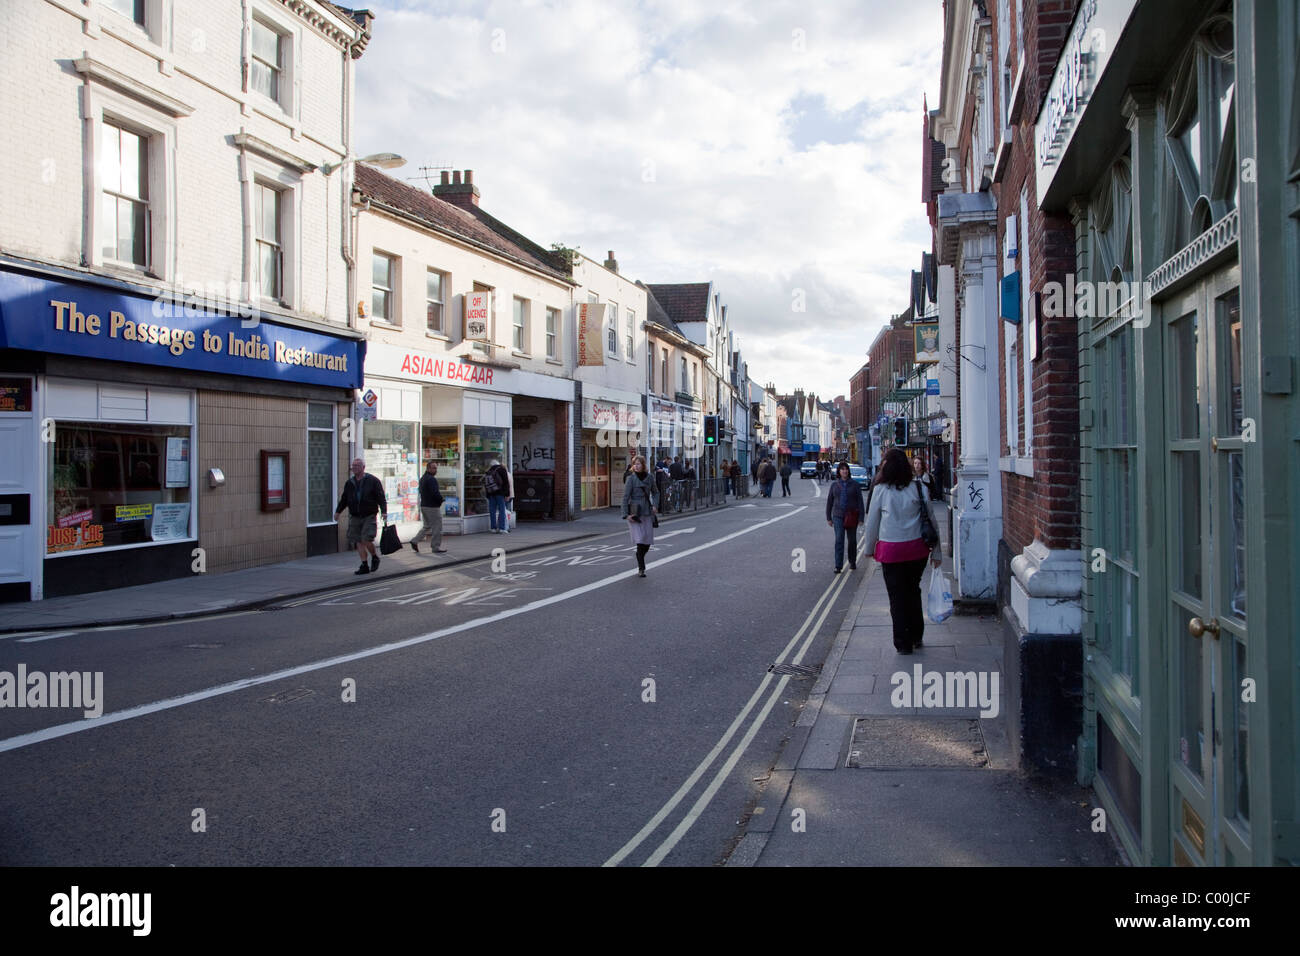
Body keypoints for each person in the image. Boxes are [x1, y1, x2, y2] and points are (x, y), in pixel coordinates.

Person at [862, 448, 943, 655]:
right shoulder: (918, 487)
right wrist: (937, 552)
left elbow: (872, 523)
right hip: (917, 550)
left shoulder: (880, 490)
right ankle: (916, 635)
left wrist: (869, 549)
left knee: (896, 597)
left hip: (891, 551)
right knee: (913, 591)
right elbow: (931, 520)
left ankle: (903, 643)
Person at [335, 458, 388, 575]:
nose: (354, 468)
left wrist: (384, 511)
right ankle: (364, 565)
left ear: (363, 467)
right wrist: (338, 511)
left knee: (366, 539)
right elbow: (344, 499)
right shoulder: (350, 483)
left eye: (357, 466)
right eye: (353, 466)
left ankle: (374, 557)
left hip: (369, 515)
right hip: (355, 516)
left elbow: (380, 497)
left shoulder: (373, 481)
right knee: (358, 540)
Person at [825, 461, 865, 573]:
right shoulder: (834, 485)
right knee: (839, 540)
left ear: (848, 471)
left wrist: (861, 518)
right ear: (839, 471)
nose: (844, 471)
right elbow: (829, 502)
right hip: (838, 516)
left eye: (846, 469)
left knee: (852, 541)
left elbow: (860, 502)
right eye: (842, 469)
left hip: (852, 515)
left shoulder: (855, 485)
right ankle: (838, 565)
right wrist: (828, 517)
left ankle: (852, 561)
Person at [623, 455, 658, 577]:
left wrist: (655, 505)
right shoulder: (631, 479)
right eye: (634, 464)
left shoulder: (650, 477)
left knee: (647, 542)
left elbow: (656, 492)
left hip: (647, 511)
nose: (636, 466)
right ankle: (641, 568)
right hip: (635, 513)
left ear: (643, 465)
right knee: (640, 540)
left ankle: (639, 556)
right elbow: (625, 497)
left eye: (638, 464)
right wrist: (625, 514)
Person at [409, 460, 448, 554]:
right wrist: (441, 500)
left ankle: (415, 540)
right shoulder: (431, 479)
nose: (436, 470)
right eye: (434, 468)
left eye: (436, 468)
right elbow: (435, 493)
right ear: (428, 468)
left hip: (424, 505)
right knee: (437, 527)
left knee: (426, 526)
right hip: (432, 507)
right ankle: (435, 547)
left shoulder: (423, 478)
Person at [483, 459, 513, 534]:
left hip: (491, 494)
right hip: (500, 493)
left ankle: (493, 528)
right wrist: (507, 494)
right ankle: (502, 528)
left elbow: (486, 485)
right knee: (502, 510)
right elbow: (506, 483)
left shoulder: (488, 471)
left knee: (492, 511)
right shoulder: (502, 469)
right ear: (498, 464)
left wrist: (488, 495)